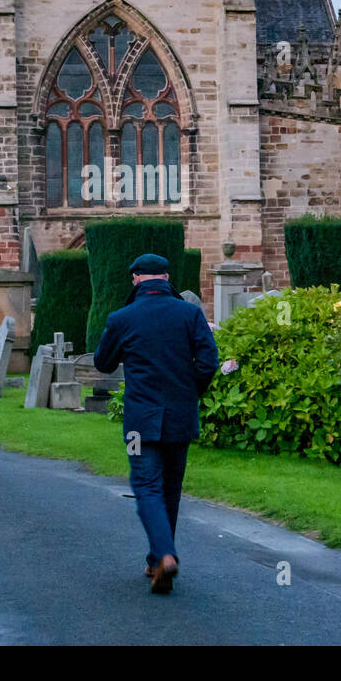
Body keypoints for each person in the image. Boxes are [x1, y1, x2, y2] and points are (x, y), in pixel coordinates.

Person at [94, 253, 218, 595]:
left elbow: (103, 363)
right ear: (166, 277)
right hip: (180, 416)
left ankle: (164, 555)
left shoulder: (122, 318)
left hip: (139, 423)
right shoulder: (190, 314)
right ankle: (155, 560)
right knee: (170, 490)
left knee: (147, 487)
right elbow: (208, 362)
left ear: (135, 280)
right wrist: (189, 390)